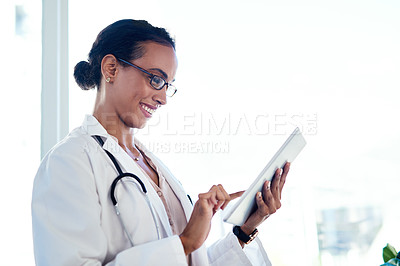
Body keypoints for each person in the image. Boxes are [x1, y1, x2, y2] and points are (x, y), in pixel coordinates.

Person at [31, 19, 290, 266]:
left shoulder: (150, 164)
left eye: (168, 85)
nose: (163, 98)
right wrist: (185, 242)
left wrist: (245, 229)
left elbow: (189, 261)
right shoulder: (69, 161)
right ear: (111, 68)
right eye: (155, 79)